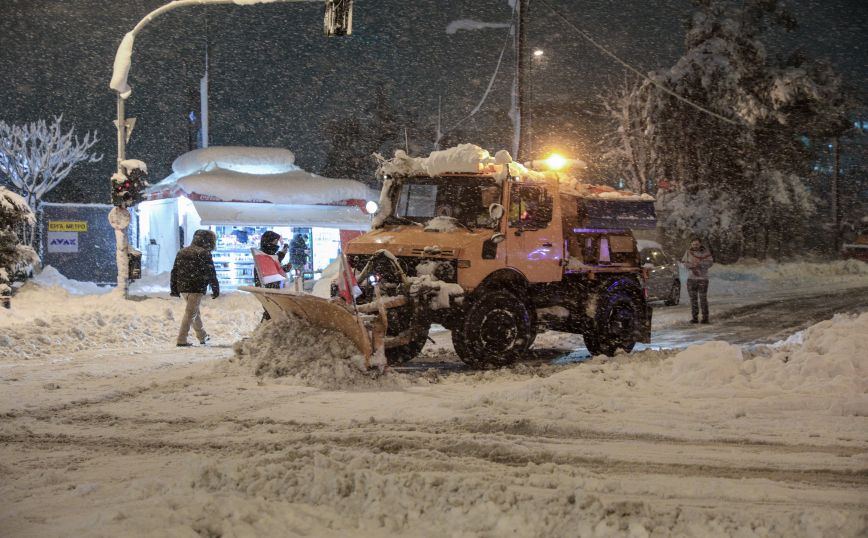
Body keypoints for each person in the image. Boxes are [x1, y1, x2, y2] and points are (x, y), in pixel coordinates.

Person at [170, 229, 220, 346]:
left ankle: (202, 336)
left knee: (193, 311)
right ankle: (181, 339)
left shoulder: (182, 251)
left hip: (183, 287)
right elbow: (211, 272)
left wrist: (174, 288)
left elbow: (174, 271)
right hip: (196, 287)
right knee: (190, 313)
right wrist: (215, 288)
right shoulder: (204, 253)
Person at [254, 230, 290, 321]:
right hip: (268, 289)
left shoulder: (267, 253)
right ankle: (263, 333)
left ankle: (263, 331)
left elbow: (274, 263)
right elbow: (271, 268)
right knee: (270, 313)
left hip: (271, 288)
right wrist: (283, 269)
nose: (277, 245)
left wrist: (283, 254)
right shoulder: (263, 256)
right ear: (268, 242)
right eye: (275, 242)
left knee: (271, 313)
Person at [681, 237, 714, 324]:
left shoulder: (705, 252)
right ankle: (694, 318)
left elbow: (710, 262)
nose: (695, 246)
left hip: (703, 279)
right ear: (691, 244)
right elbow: (684, 263)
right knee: (693, 299)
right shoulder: (688, 252)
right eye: (693, 244)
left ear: (700, 244)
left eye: (697, 244)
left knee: (703, 299)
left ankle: (705, 318)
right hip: (691, 279)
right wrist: (691, 266)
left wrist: (700, 264)